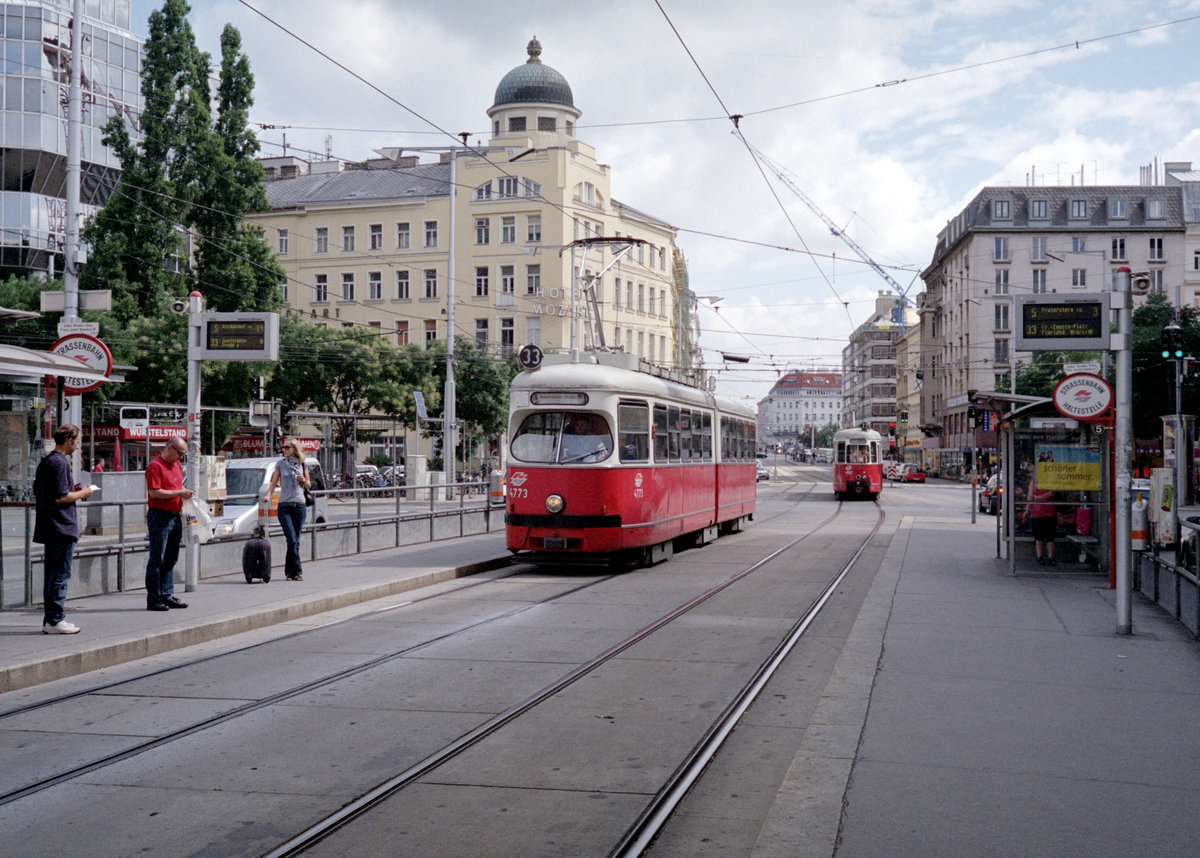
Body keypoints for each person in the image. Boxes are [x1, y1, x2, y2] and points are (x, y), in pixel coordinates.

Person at [33, 424, 94, 634]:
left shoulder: (47, 461)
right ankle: (55, 619)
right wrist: (82, 493)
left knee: (52, 573)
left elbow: (42, 491)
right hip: (62, 525)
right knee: (60, 574)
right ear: (69, 440)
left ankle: (51, 618)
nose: (78, 447)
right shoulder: (60, 463)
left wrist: (72, 490)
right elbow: (61, 496)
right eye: (77, 442)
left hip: (50, 525)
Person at [144, 437, 193, 611]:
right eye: (180, 453)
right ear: (170, 448)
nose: (181, 457)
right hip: (160, 516)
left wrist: (182, 494)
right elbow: (155, 492)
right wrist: (179, 492)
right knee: (157, 557)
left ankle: (167, 594)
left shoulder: (176, 465)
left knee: (171, 557)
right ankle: (154, 598)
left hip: (174, 514)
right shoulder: (155, 466)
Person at [265, 438, 311, 581]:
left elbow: (309, 485)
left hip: (299, 506)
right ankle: (297, 571)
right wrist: (268, 495)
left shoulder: (302, 464)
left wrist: (303, 480)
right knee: (291, 538)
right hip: (284, 505)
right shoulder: (280, 464)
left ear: (294, 449)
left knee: (295, 541)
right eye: (283, 448)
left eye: (287, 448)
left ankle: (291, 573)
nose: (284, 450)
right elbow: (273, 483)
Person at [1029, 476, 1057, 566]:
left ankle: (1046, 557)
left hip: (1047, 511)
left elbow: (1052, 492)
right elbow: (1030, 496)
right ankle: (1043, 556)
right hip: (1040, 512)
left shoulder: (1049, 480)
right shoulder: (1034, 481)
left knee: (1048, 537)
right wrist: (1026, 509)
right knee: (1040, 537)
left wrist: (1038, 497)